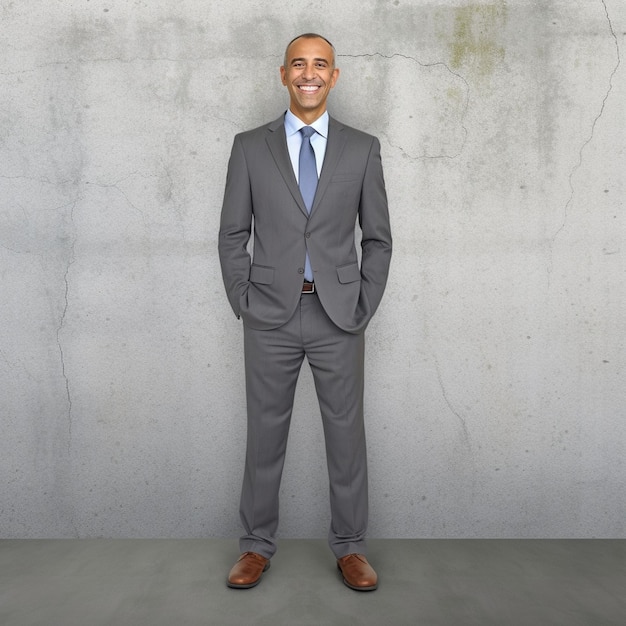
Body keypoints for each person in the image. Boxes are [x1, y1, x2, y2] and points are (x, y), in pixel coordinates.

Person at [218, 33, 392, 592]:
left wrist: (363, 305)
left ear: (334, 76)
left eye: (320, 64)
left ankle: (350, 548)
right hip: (269, 315)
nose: (309, 73)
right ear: (283, 74)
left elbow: (379, 239)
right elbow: (231, 235)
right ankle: (255, 546)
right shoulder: (250, 146)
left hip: (339, 316)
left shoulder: (362, 148)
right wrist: (244, 301)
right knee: (264, 436)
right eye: (299, 64)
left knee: (346, 437)